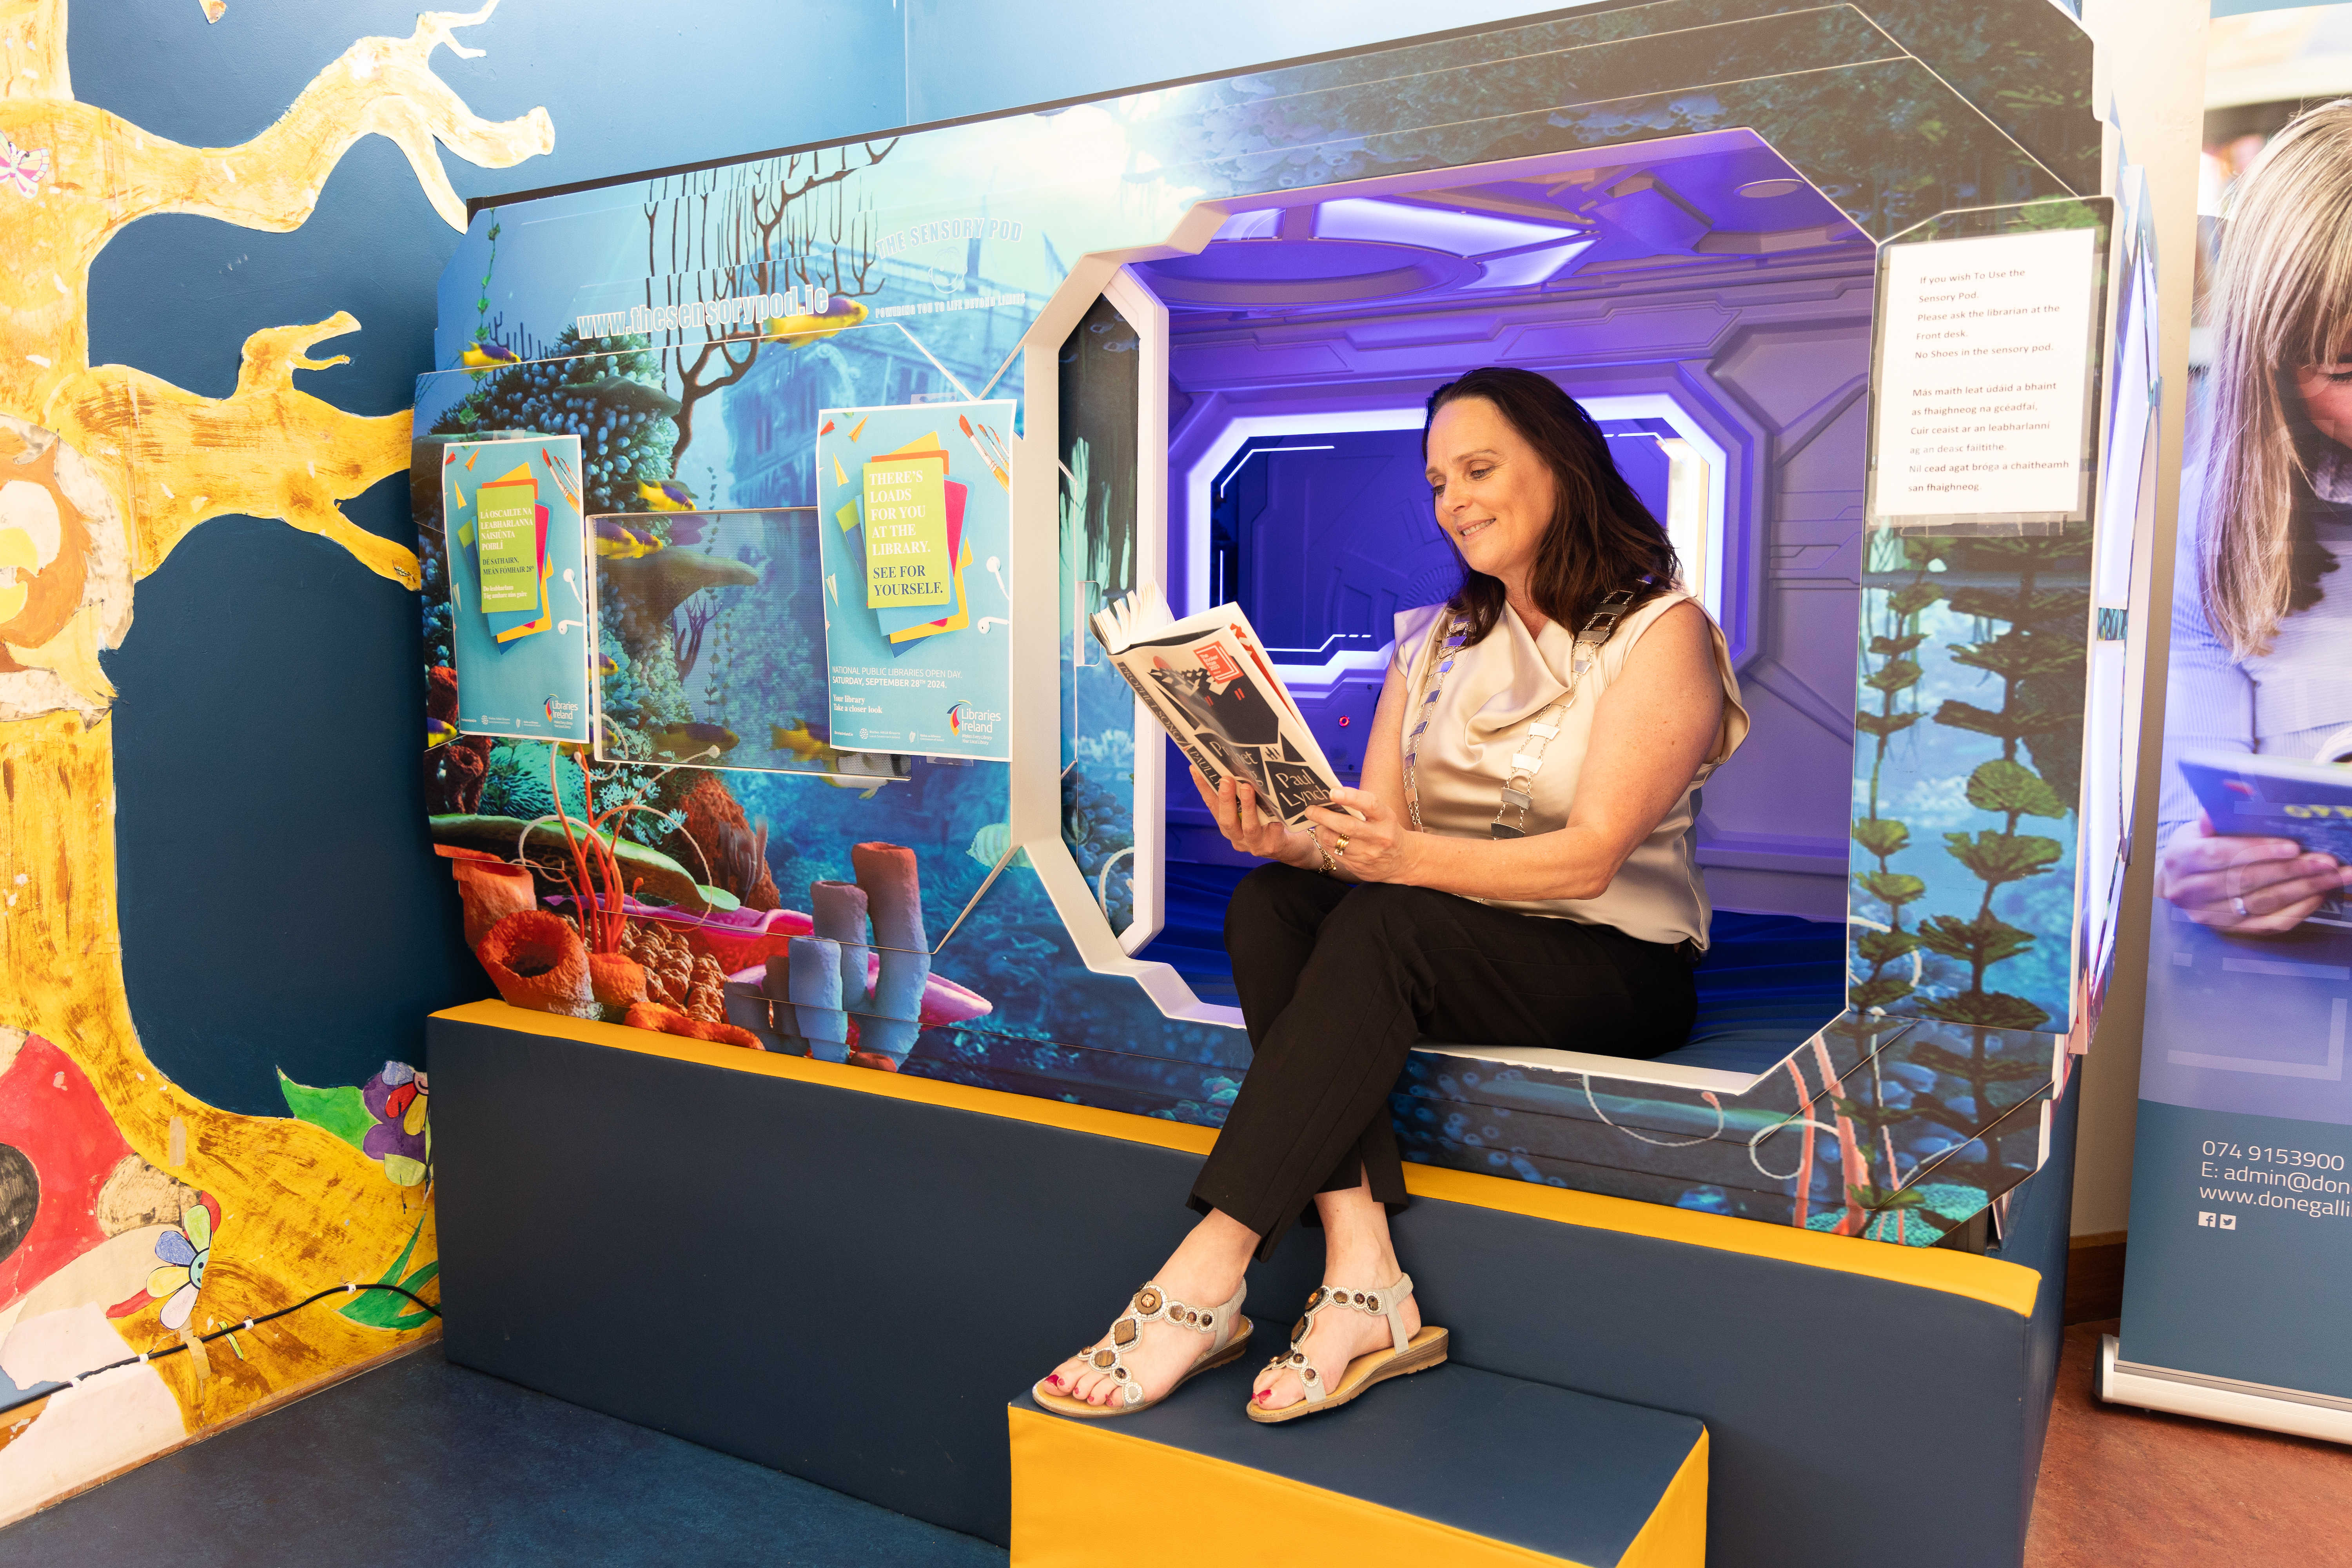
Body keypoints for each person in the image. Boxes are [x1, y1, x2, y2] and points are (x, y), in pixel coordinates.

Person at [1034, 366, 1748, 1423]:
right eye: (1437, 482)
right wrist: (1285, 835)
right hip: (1444, 931)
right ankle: (1364, 1264)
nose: (1453, 499)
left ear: (1562, 467)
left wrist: (1390, 864)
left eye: (1478, 469)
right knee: (1269, 904)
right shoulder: (1434, 640)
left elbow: (1589, 858)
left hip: (1613, 959)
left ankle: (1208, 1268)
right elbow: (1376, 836)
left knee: (1386, 918)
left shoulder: (1659, 631)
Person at [2157, 102, 2352, 935]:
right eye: (2345, 369)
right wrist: (2208, 872)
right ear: (2272, 368)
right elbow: (2183, 823)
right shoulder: (2211, 525)